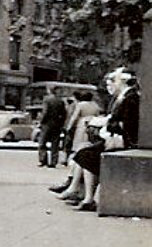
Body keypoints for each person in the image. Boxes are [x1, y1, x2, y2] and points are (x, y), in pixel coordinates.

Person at [58, 68, 139, 211]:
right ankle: (80, 192)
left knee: (85, 155)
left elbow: (126, 124)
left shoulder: (131, 98)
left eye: (114, 81)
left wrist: (107, 124)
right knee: (84, 151)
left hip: (122, 141)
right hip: (117, 139)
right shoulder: (124, 97)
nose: (112, 85)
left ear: (122, 81)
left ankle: (85, 195)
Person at [50, 91, 101, 193]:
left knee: (78, 148)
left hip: (82, 125)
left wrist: (68, 127)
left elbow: (74, 117)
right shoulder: (95, 105)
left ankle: (71, 181)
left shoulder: (80, 105)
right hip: (93, 125)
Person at [37, 86, 67, 168]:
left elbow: (45, 112)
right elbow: (64, 113)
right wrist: (61, 123)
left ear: (49, 91)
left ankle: (43, 160)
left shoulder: (47, 100)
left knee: (42, 142)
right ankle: (53, 162)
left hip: (47, 124)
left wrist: (41, 121)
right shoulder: (60, 101)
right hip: (57, 124)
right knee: (55, 143)